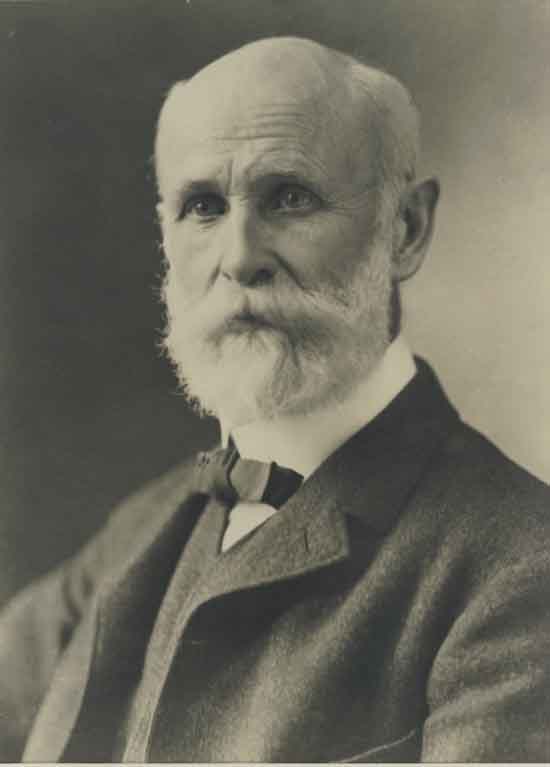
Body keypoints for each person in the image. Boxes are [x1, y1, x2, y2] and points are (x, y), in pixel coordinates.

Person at [1, 36, 549, 763]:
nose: (239, 257)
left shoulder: (519, 570)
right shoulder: (142, 528)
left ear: (405, 230)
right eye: (203, 207)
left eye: (289, 198)